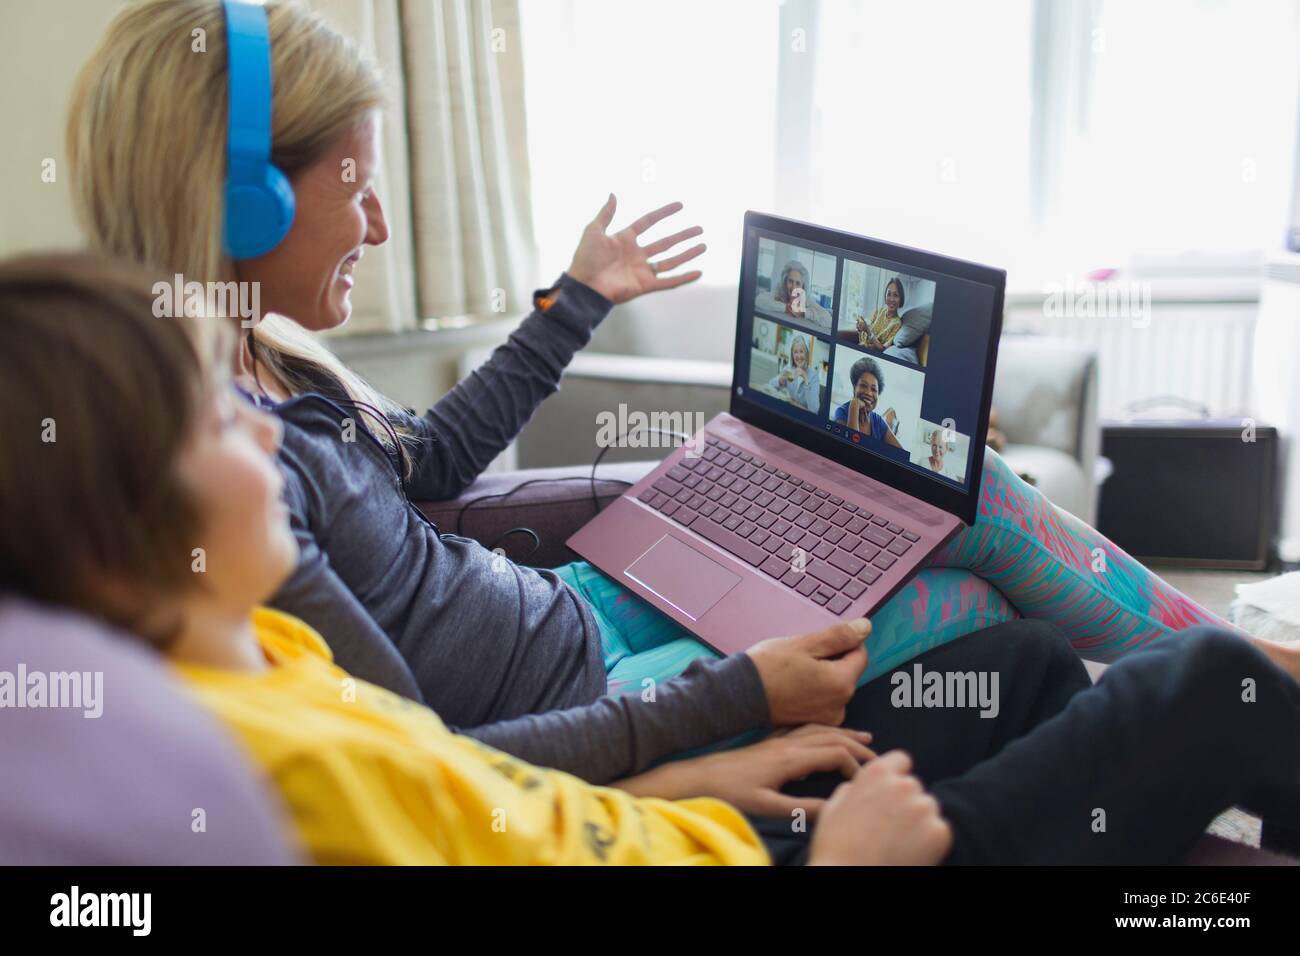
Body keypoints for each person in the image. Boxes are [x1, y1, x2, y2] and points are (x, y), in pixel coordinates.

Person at [67, 0, 1239, 787]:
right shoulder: (229, 477)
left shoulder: (260, 366)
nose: (377, 223)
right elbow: (434, 762)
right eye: (358, 187)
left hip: (580, 602)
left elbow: (424, 465)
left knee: (953, 492)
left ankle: (1239, 672)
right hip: (620, 693)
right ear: (244, 203)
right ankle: (1238, 684)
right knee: (977, 574)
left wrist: (575, 297)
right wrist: (736, 702)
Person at [5, 252, 1299, 866]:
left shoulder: (271, 653)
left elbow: (467, 772)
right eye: (220, 417)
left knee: (1017, 663)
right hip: (776, 853)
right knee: (1212, 685)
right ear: (134, 513)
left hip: (686, 797)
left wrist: (695, 764)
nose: (265, 424)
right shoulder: (263, 770)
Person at [832, 356, 905, 449]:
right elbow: (849, 450)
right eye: (863, 385)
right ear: (854, 388)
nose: (868, 393)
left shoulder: (878, 422)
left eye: (874, 389)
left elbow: (901, 454)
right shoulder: (841, 412)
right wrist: (854, 405)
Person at [755, 259, 833, 330]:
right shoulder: (780, 291)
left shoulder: (806, 299)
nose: (794, 287)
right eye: (790, 281)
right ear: (785, 281)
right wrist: (786, 308)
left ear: (803, 286)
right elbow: (758, 300)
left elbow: (829, 321)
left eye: (798, 283)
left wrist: (804, 312)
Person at [766, 333, 820, 412]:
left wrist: (805, 378)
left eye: (801, 351)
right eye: (795, 352)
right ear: (792, 355)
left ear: (806, 354)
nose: (798, 356)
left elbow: (814, 409)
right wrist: (780, 381)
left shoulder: (813, 377)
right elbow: (770, 385)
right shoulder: (789, 369)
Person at [856, 276, 905, 350]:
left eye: (895, 295)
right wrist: (861, 327)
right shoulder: (879, 311)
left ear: (901, 299)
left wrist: (868, 333)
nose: (891, 299)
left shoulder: (897, 324)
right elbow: (866, 329)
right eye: (889, 294)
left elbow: (883, 348)